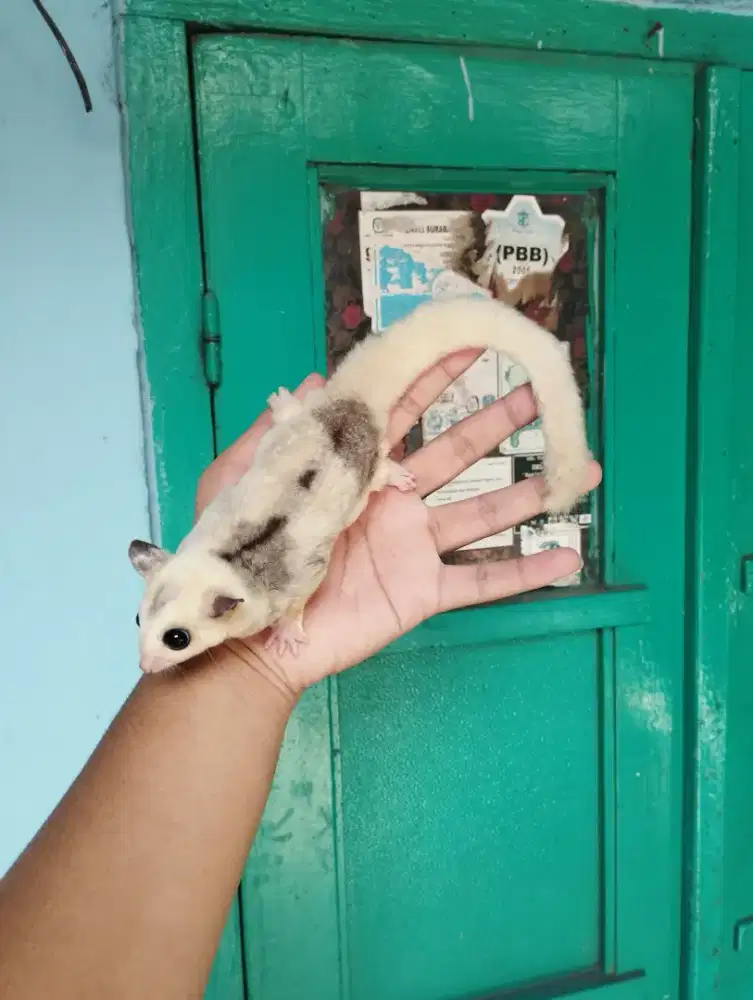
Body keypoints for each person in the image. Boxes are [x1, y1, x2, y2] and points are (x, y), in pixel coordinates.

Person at [0, 355, 600, 1000]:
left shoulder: (243, 590)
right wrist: (254, 661)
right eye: (154, 632)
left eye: (172, 641)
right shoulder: (209, 578)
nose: (150, 660)